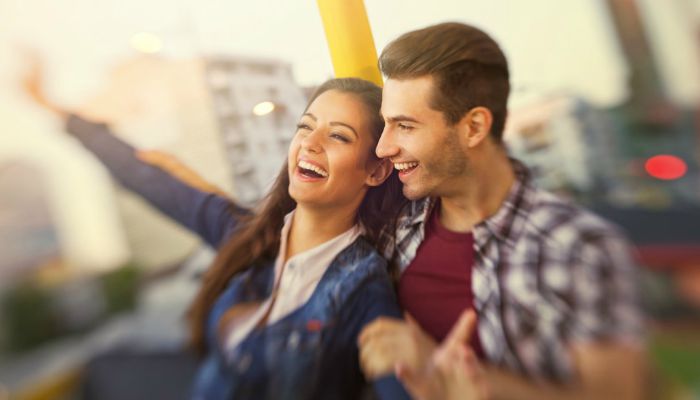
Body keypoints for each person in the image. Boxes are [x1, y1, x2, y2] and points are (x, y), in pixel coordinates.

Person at [24, 71, 411, 399]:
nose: (309, 144)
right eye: (305, 127)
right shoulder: (248, 234)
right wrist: (54, 109)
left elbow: (397, 380)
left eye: (338, 136)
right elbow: (144, 176)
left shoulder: (363, 288)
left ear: (375, 172)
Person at [357, 22, 645, 399]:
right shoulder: (395, 228)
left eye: (404, 126)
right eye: (386, 124)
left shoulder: (579, 246)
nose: (383, 147)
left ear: (474, 127)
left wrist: (470, 380)